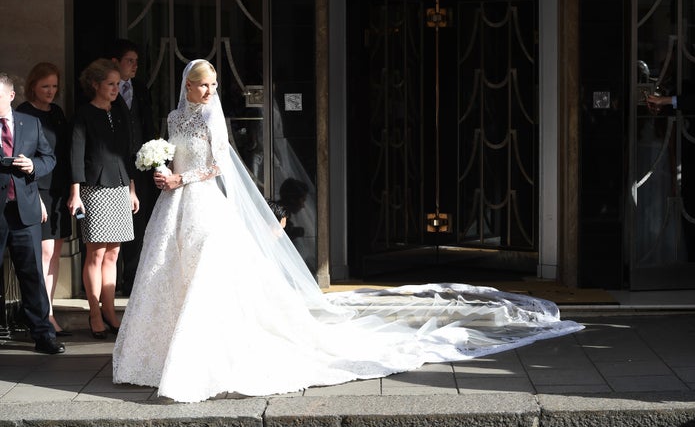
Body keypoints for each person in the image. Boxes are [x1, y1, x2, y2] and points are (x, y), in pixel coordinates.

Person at [113, 59, 583, 403]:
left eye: (214, 86)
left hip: (200, 203)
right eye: (203, 87)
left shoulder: (214, 118)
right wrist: (162, 171)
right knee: (167, 274)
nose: (210, 93)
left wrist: (182, 178)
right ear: (187, 88)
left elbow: (217, 166)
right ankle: (158, 354)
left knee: (206, 279)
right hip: (174, 205)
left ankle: (200, 361)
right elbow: (174, 154)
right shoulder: (175, 118)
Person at [68, 58, 139, 339]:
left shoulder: (119, 111)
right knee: (95, 254)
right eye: (110, 84)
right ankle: (94, 313)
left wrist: (132, 188)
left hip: (120, 186)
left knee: (114, 253)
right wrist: (76, 194)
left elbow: (126, 151)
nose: (115, 89)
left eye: (117, 84)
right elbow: (75, 155)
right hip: (94, 189)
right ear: (95, 85)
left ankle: (110, 312)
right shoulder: (83, 114)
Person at [0, 72, 62, 354]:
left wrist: (33, 166)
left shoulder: (31, 123)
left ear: (11, 96)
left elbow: (49, 158)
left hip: (24, 211)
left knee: (33, 274)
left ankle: (43, 335)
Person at [16, 62, 72, 336]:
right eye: (45, 86)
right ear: (32, 87)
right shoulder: (23, 115)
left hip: (59, 189)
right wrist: (33, 193)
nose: (51, 91)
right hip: (36, 189)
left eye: (54, 86)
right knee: (44, 252)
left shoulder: (58, 113)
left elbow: (62, 153)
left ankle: (48, 309)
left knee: (55, 252)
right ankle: (41, 313)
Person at [109, 39, 158, 296]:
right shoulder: (105, 89)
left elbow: (147, 123)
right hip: (113, 165)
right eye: (130, 61)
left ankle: (132, 281)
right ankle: (111, 282)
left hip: (140, 166)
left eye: (137, 62)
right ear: (115, 62)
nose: (135, 66)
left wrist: (154, 157)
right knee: (113, 227)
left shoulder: (140, 89)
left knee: (139, 224)